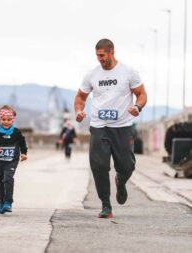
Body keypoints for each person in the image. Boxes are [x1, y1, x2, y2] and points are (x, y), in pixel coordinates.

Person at [74, 38, 147, 218]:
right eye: (97, 56)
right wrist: (79, 110)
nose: (100, 59)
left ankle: (121, 181)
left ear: (111, 52)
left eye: (102, 55)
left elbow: (141, 94)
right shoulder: (92, 75)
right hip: (99, 126)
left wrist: (137, 107)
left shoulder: (129, 72)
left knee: (127, 166)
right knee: (98, 166)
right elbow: (80, 97)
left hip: (122, 126)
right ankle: (106, 205)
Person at [0, 105, 28, 214]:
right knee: (0, 180)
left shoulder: (16, 132)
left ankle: (8, 202)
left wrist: (24, 153)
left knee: (8, 178)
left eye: (9, 120)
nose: (6, 122)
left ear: (12, 120)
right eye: (3, 120)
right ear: (0, 119)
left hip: (12, 161)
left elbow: (22, 143)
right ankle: (2, 201)